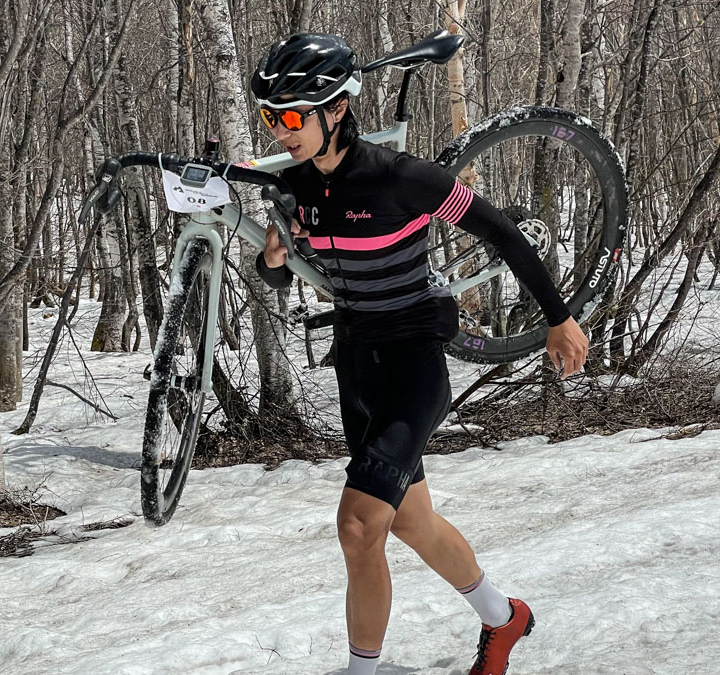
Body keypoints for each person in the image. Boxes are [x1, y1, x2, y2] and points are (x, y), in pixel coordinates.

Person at [249, 34, 589, 675]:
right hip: (356, 368)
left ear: (336, 110)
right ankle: (503, 616)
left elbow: (500, 231)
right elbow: (277, 278)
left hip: (412, 365)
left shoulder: (402, 179)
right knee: (410, 522)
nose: (280, 131)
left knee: (357, 526)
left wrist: (559, 317)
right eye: (270, 116)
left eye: (293, 116)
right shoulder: (294, 187)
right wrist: (273, 261)